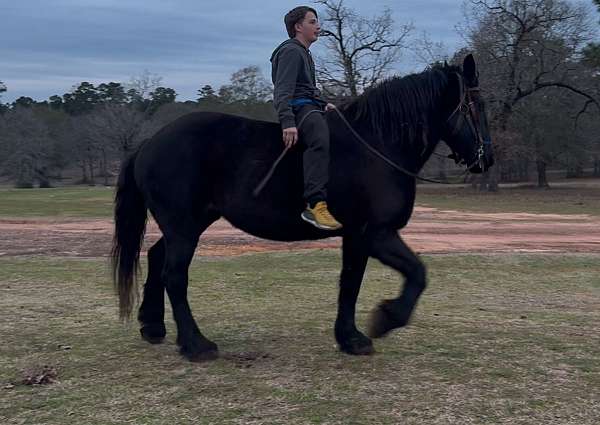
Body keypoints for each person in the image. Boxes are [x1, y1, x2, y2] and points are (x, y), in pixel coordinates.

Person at [270, 6, 342, 231]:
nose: (318, 26)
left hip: (310, 105)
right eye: (312, 22)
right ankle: (315, 204)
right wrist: (288, 122)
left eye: (317, 21)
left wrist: (324, 103)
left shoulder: (304, 52)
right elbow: (283, 91)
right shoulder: (291, 51)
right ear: (298, 27)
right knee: (319, 137)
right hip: (299, 110)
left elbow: (307, 89)